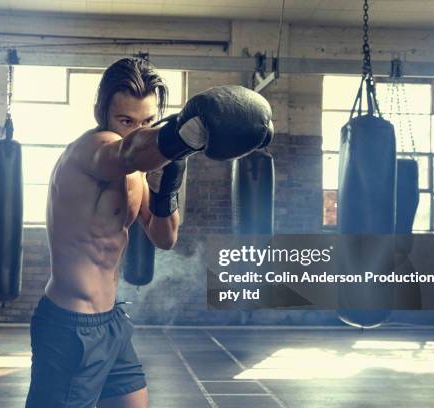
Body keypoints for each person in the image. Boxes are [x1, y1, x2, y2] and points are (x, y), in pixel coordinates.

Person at [25, 57, 273, 408]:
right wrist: (181, 135)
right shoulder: (92, 150)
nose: (136, 130)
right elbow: (128, 149)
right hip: (70, 327)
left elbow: (164, 237)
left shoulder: (142, 168)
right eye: (125, 120)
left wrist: (167, 186)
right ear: (103, 113)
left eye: (148, 121)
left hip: (111, 322)